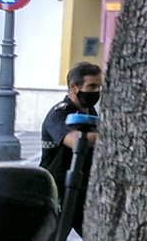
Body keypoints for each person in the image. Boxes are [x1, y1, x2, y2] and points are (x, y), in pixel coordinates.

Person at [39, 61, 102, 194]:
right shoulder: (59, 114)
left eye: (98, 87)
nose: (96, 91)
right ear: (73, 87)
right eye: (91, 86)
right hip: (57, 189)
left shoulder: (90, 111)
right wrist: (108, 136)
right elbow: (77, 141)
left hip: (81, 185)